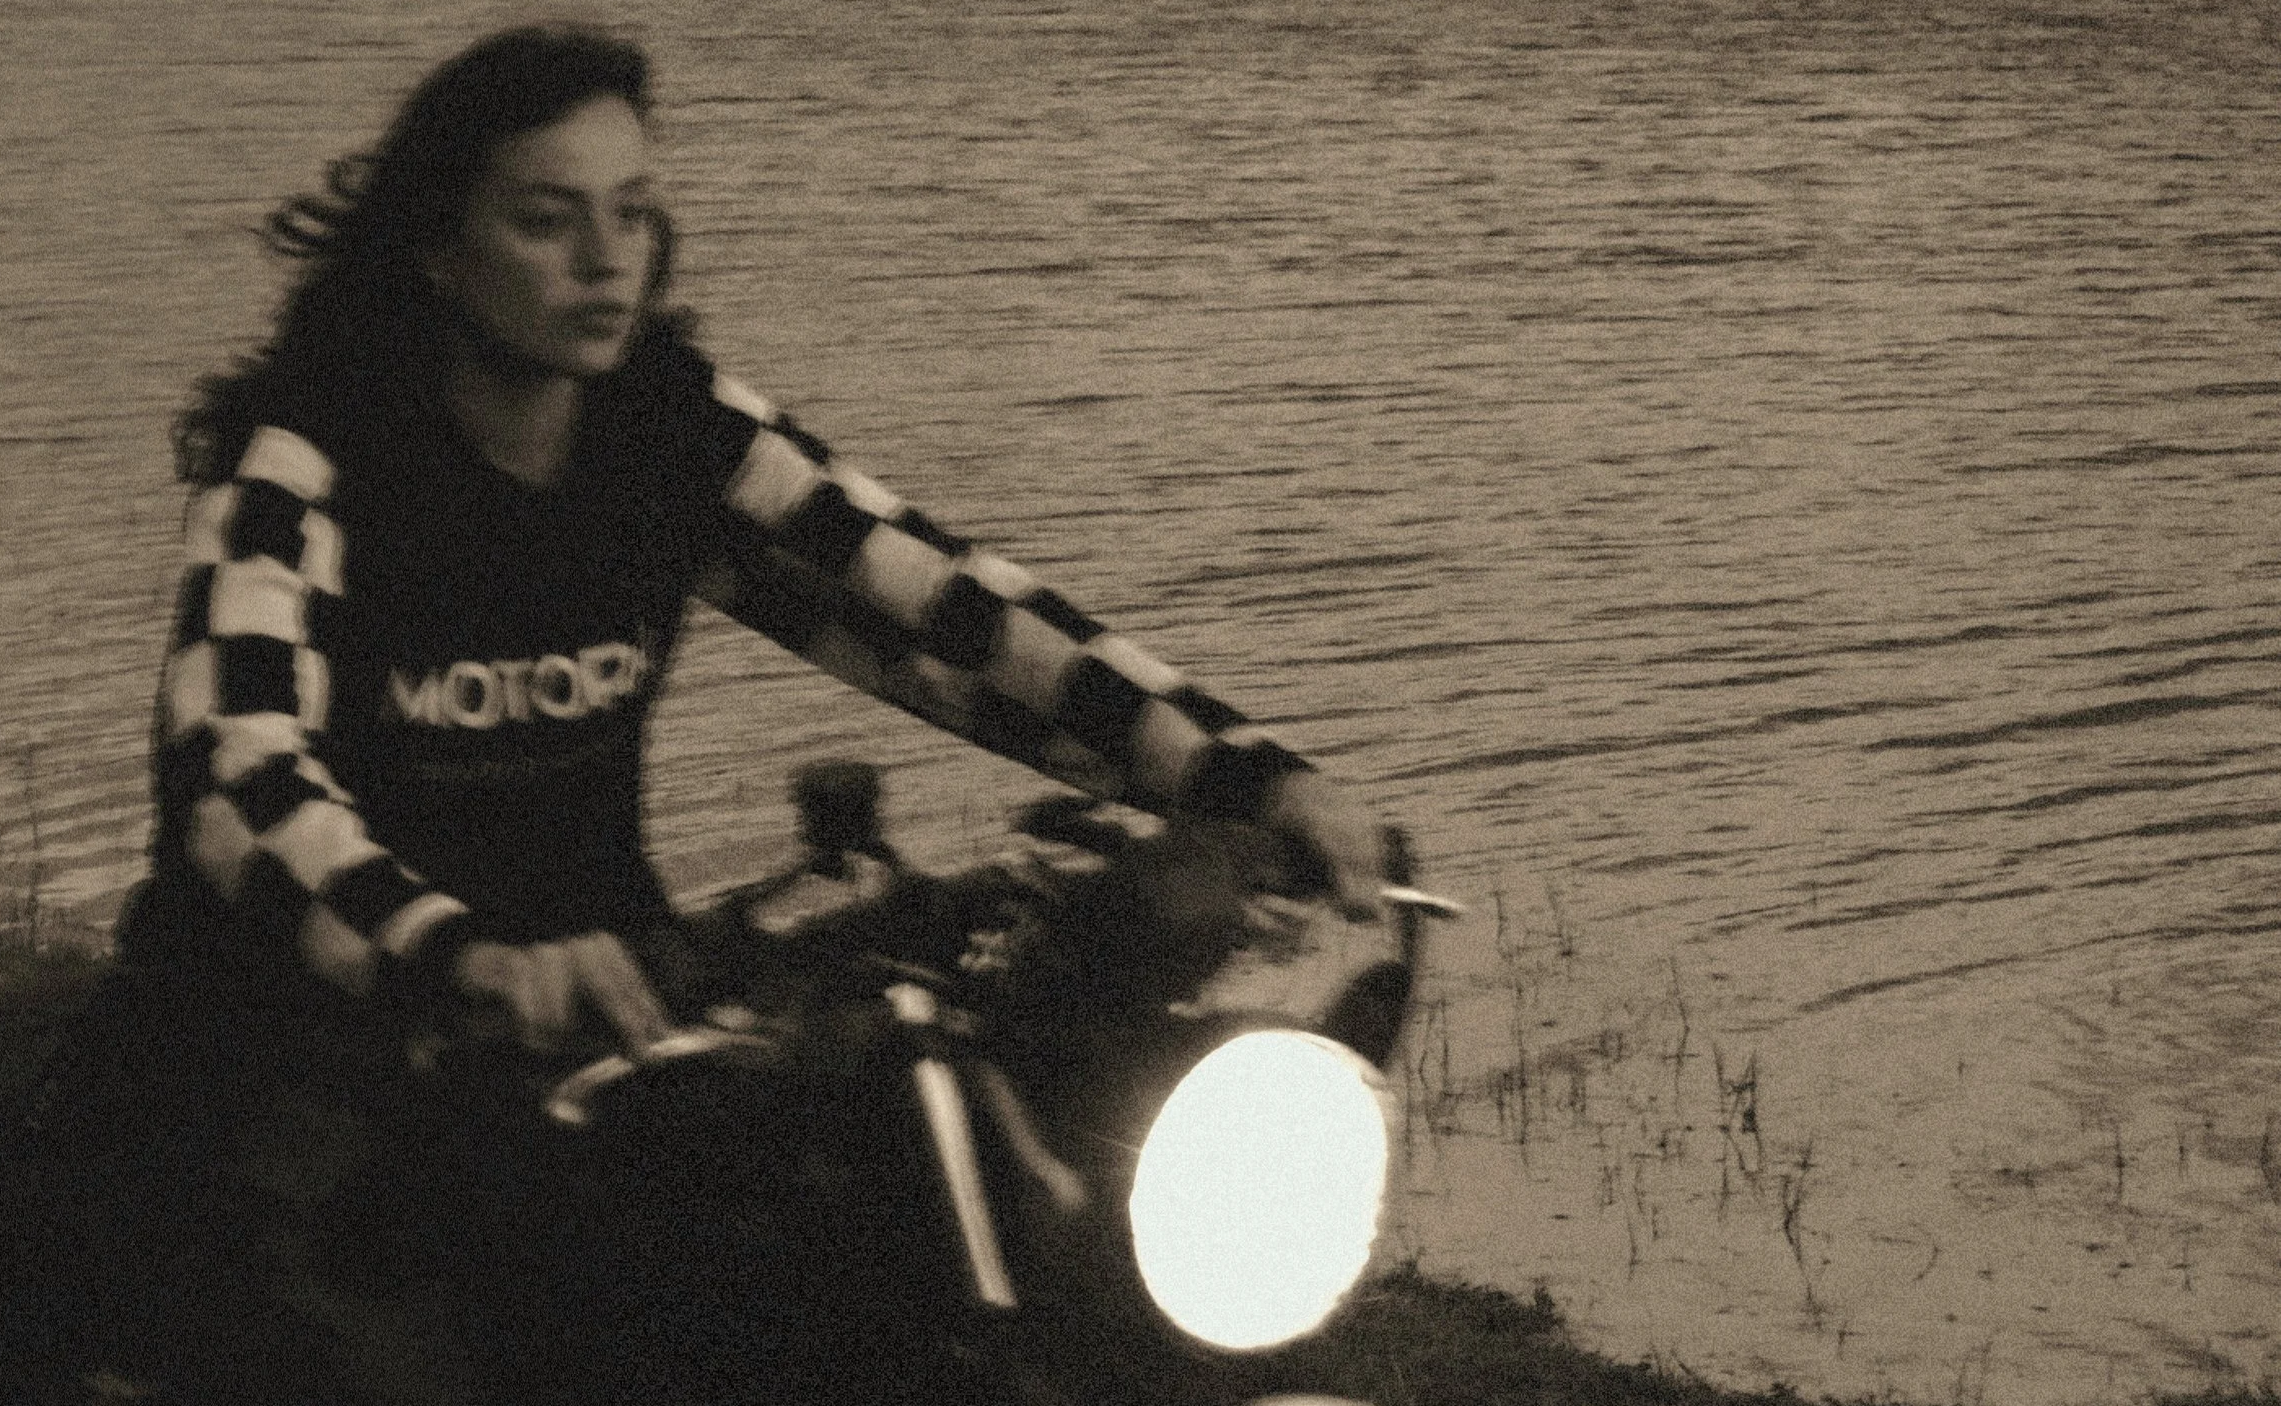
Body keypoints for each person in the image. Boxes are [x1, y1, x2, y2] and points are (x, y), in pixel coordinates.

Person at [68, 20, 1393, 1405]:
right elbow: (240, 781)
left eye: (634, 211)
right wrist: (457, 952)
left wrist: (1252, 781)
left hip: (611, 1017)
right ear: (437, 250)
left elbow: (950, 613)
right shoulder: (306, 470)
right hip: (296, 1051)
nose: (607, 258)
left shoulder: (666, 429)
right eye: (547, 219)